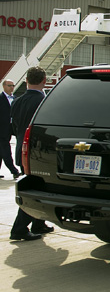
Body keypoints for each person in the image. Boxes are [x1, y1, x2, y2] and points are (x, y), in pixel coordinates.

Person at [9, 67, 53, 241]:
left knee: (33, 185)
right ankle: (19, 228)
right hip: (37, 152)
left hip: (22, 149)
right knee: (37, 190)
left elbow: (13, 127)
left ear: (26, 80)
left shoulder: (17, 101)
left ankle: (38, 223)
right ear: (44, 80)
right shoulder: (44, 101)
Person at [1, 79, 20, 179]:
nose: (12, 87)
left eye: (13, 85)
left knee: (2, 150)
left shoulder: (16, 98)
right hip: (2, 129)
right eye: (9, 85)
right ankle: (14, 170)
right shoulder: (0, 99)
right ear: (4, 86)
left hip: (13, 127)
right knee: (6, 149)